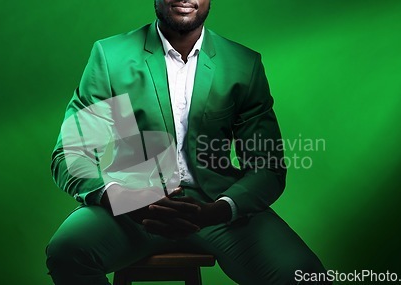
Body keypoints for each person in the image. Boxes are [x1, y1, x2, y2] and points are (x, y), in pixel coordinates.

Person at [46, 0, 327, 284]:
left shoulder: (243, 64)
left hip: (217, 208)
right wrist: (126, 201)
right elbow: (71, 155)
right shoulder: (110, 56)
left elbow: (268, 168)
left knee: (307, 276)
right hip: (130, 209)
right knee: (66, 251)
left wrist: (217, 210)